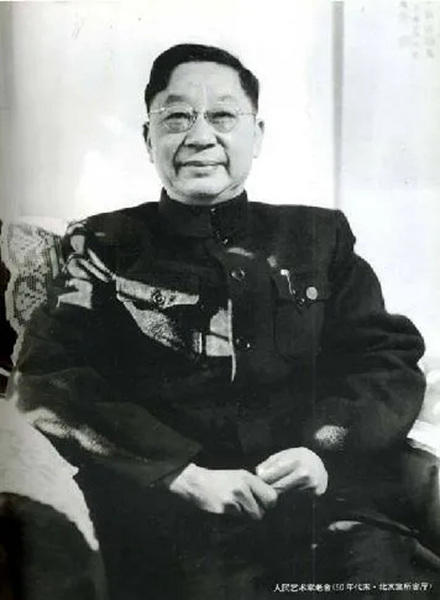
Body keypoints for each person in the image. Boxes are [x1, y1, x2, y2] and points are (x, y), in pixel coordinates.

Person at [5, 43, 438, 599]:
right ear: (149, 138)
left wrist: (323, 449)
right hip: (172, 528)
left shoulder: (318, 236)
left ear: (257, 135)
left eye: (223, 116)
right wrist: (179, 474)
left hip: (327, 511)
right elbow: (47, 376)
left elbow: (385, 358)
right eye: (177, 117)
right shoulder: (102, 244)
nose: (200, 136)